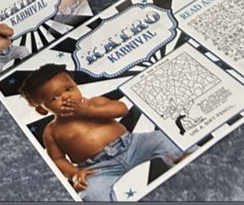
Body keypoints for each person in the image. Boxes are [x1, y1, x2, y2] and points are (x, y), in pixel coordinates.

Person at [20, 64, 183, 201]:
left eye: (69, 88)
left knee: (165, 139)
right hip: (98, 168)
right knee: (90, 194)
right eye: (54, 98)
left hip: (132, 145)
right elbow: (57, 159)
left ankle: (180, 159)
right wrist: (74, 174)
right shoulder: (52, 131)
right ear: (42, 109)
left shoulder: (94, 102)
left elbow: (121, 109)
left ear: (76, 85)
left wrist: (89, 110)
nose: (66, 97)